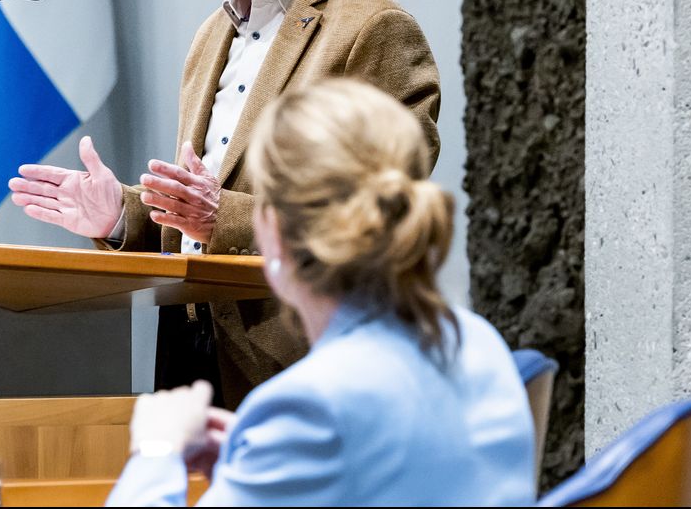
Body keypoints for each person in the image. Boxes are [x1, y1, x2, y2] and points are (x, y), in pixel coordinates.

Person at [8, 0, 441, 408]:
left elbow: (386, 213)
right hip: (191, 354)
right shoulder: (213, 35)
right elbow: (197, 216)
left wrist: (224, 219)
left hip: (302, 363)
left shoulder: (371, 28)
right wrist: (123, 215)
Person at [106, 78, 536, 506]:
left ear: (273, 227)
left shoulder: (312, 406)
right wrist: (263, 460)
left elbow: (337, 426)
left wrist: (155, 449)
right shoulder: (478, 342)